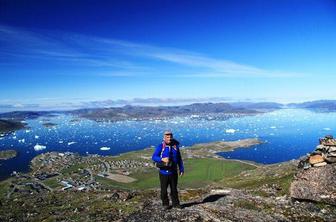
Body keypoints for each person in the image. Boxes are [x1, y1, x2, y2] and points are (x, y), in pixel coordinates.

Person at [152, 130, 184, 209]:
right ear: (164, 137)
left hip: (173, 172)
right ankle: (165, 204)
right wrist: (162, 159)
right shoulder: (161, 146)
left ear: (172, 137)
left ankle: (176, 204)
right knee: (164, 190)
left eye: (170, 137)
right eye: (167, 137)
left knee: (174, 189)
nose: (169, 138)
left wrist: (181, 169)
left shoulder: (175, 146)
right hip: (163, 173)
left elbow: (179, 158)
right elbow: (154, 157)